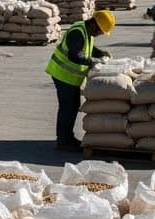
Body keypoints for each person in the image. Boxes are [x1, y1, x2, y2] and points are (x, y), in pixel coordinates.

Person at [47, 10, 114, 151]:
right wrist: (93, 61)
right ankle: (63, 141)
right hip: (63, 75)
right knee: (67, 108)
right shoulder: (78, 32)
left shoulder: (86, 31)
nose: (100, 34)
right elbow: (74, 55)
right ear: (95, 25)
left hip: (70, 78)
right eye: (101, 31)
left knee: (72, 106)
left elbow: (87, 48)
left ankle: (67, 137)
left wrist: (100, 53)